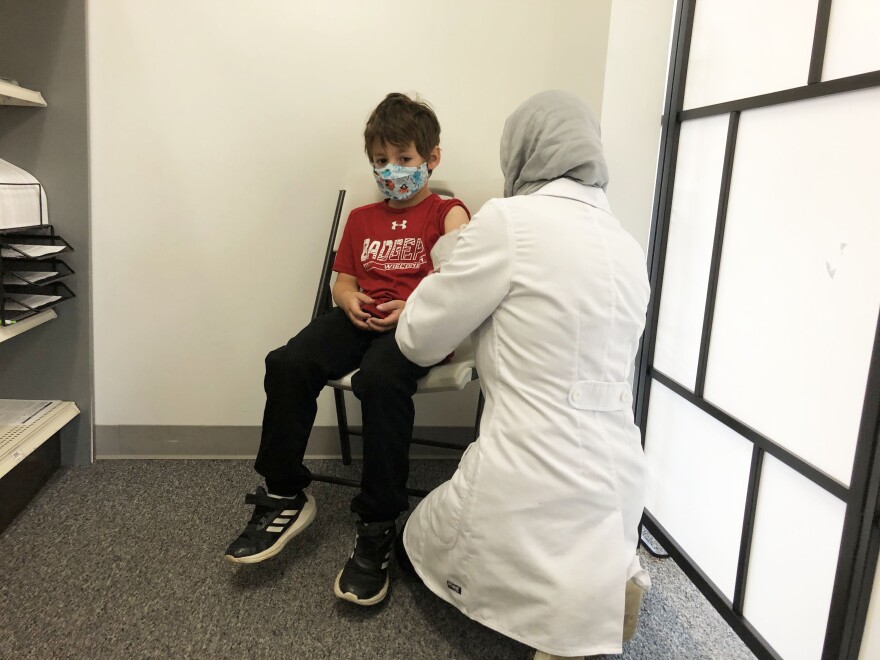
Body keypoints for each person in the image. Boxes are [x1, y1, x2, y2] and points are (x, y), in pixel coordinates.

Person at [394, 90, 651, 659]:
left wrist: (450, 255)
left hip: (526, 470)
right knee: (587, 540)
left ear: (522, 152)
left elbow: (418, 338)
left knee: (425, 536)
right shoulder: (628, 247)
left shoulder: (510, 222)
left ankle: (564, 628)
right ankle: (604, 586)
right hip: (618, 473)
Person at [224, 92, 470, 608]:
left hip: (415, 324)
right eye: (381, 161)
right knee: (287, 363)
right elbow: (342, 281)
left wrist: (414, 304)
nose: (392, 171)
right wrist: (349, 299)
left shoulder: (448, 212)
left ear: (432, 157)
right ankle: (286, 493)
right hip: (360, 317)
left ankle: (378, 522)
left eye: (404, 159)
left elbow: (461, 278)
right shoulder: (361, 218)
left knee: (378, 381)